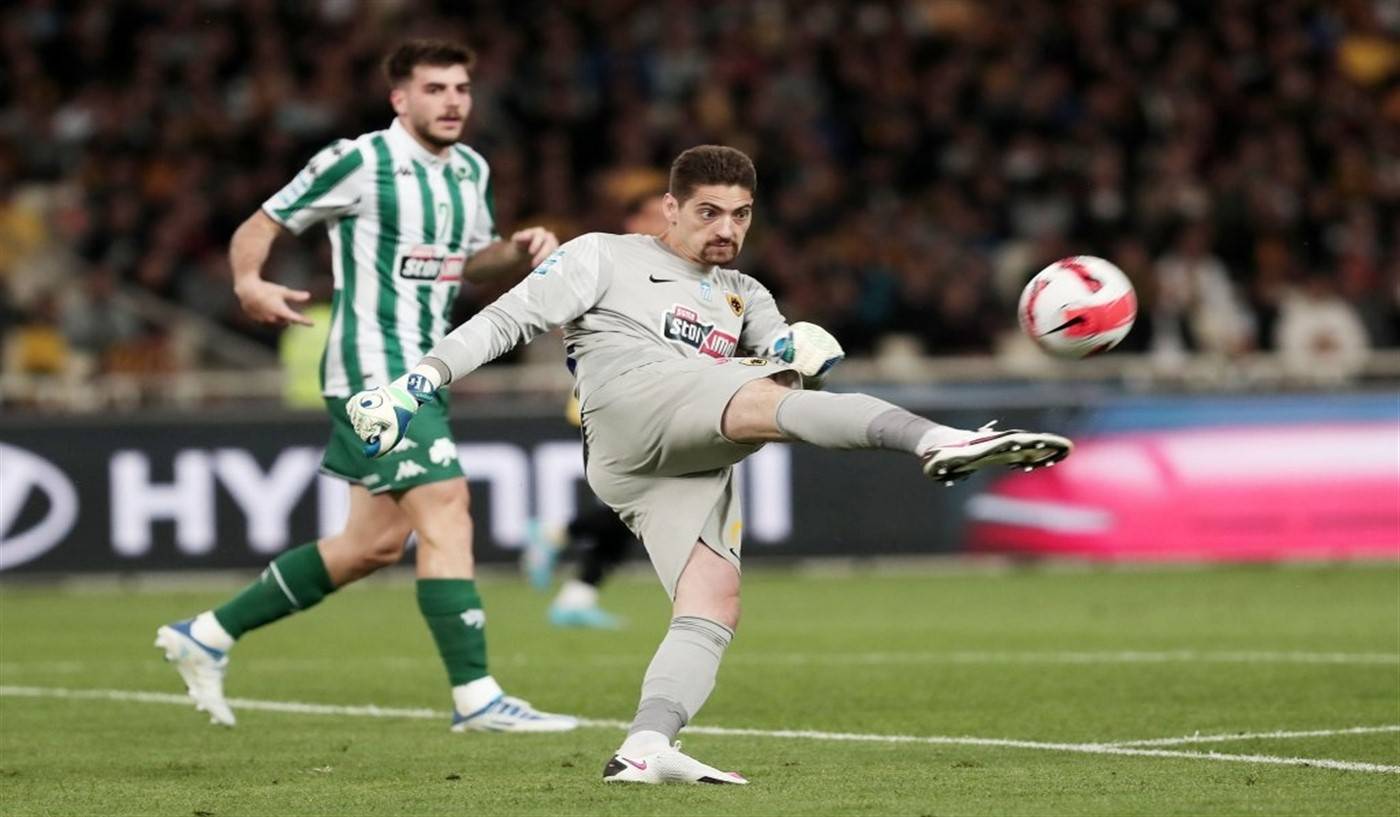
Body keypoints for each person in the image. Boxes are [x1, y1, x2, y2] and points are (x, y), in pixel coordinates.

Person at [346, 146, 1071, 782]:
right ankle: (936, 439)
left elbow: (782, 360)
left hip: (673, 456)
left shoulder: (744, 292)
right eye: (709, 212)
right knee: (765, 400)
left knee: (713, 599)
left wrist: (802, 352)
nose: (726, 228)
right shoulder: (604, 254)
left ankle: (645, 747)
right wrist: (416, 385)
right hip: (629, 407)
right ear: (670, 208)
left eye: (741, 214)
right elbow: (507, 319)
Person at [154, 40, 577, 734]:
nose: (452, 101)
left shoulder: (470, 168)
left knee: (371, 545)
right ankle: (477, 696)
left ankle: (206, 634)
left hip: (428, 369)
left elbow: (469, 261)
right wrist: (248, 280)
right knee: (447, 505)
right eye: (435, 89)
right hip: (371, 371)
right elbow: (262, 222)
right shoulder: (358, 160)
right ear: (399, 99)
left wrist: (516, 250)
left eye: (461, 88)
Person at [524, 170, 669, 629]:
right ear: (632, 222)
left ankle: (576, 586)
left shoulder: (672, 269)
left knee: (641, 502)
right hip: (608, 399)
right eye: (654, 214)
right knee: (643, 499)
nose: (664, 222)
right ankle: (561, 545)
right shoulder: (608, 262)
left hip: (653, 400)